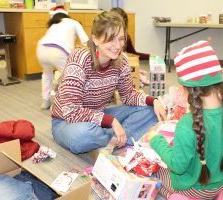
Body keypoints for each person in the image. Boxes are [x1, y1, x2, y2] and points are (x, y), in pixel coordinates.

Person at [50, 11, 166, 154]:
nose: (117, 46)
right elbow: (71, 111)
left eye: (121, 39)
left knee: (151, 110)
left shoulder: (121, 60)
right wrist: (110, 121)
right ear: (95, 39)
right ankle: (117, 136)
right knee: (81, 136)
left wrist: (153, 100)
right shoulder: (80, 59)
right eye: (111, 39)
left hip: (98, 116)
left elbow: (128, 95)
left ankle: (110, 138)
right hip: (66, 122)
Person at [148, 40, 223, 199]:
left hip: (195, 189)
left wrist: (155, 140)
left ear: (189, 90)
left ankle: (179, 197)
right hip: (222, 179)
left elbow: (178, 166)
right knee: (222, 175)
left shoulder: (187, 124)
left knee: (157, 173)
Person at [36, 5, 89, 109]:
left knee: (47, 74)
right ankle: (68, 103)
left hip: (41, 49)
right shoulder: (74, 22)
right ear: (67, 15)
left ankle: (45, 100)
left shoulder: (53, 25)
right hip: (58, 51)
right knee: (72, 76)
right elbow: (86, 41)